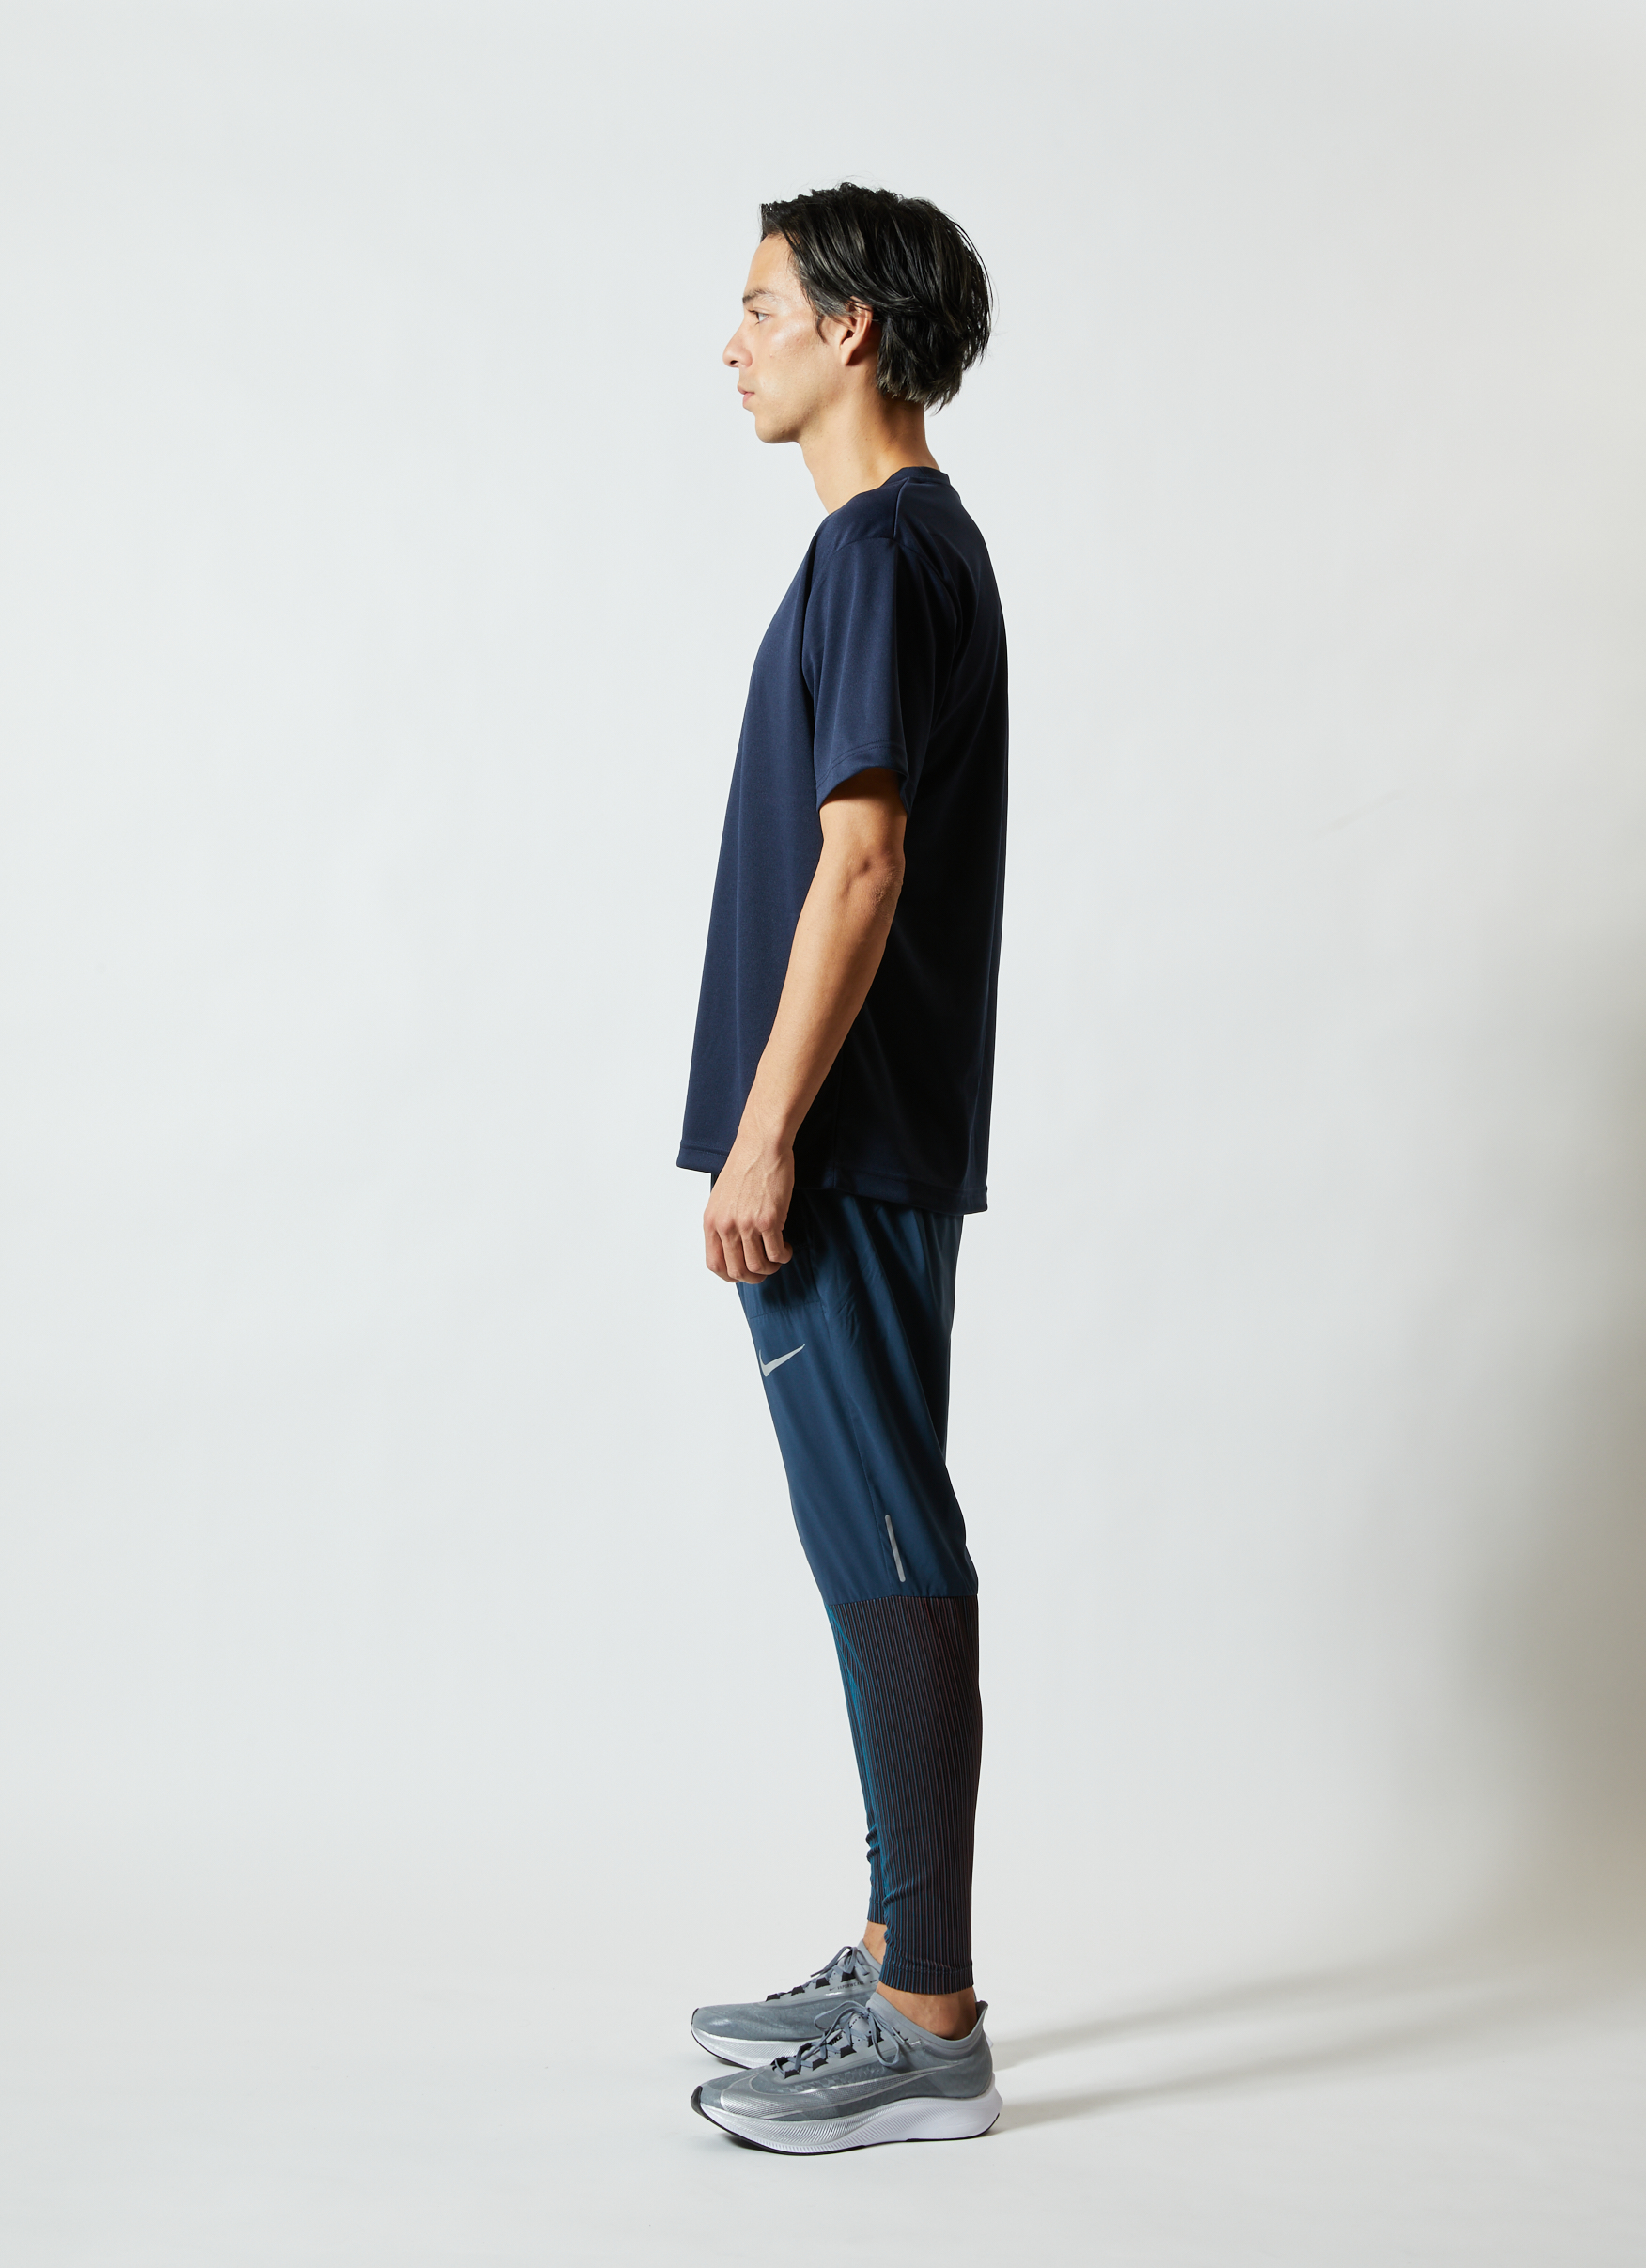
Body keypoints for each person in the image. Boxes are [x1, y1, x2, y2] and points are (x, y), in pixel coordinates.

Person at [677, 183, 1008, 2154]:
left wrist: (765, 1129)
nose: (732, 342)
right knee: (872, 1533)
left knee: (887, 1545)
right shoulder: (905, 547)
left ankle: (928, 2013)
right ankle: (897, 1935)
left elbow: (862, 862)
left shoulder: (881, 552)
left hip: (843, 1140)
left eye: (758, 305)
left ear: (852, 328)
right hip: (866, 1135)